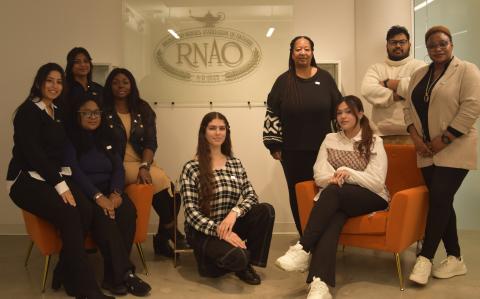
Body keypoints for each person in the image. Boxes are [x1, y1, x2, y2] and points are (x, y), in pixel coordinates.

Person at [6, 63, 114, 299]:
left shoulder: (57, 111)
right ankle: (84, 288)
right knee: (69, 212)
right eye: (49, 80)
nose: (54, 86)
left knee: (85, 209)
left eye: (59, 81)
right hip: (25, 180)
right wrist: (61, 184)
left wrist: (64, 178)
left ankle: (64, 270)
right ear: (39, 82)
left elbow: (59, 152)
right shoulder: (27, 112)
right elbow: (34, 155)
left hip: (50, 177)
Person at [276, 96, 389, 299]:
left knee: (333, 191)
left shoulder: (374, 141)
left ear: (360, 114)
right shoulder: (330, 139)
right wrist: (337, 178)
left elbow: (377, 182)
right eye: (339, 113)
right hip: (338, 197)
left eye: (348, 111)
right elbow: (319, 175)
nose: (343, 116)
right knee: (334, 216)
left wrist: (347, 172)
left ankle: (303, 247)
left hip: (372, 197)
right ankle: (320, 283)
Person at [405, 25, 480, 285]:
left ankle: (425, 259)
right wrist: (416, 139)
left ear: (451, 44)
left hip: (455, 148)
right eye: (432, 45)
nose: (437, 48)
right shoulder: (418, 75)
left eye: (443, 43)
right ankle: (455, 258)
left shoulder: (467, 70)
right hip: (425, 151)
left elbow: (472, 107)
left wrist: (443, 139)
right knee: (442, 201)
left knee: (439, 197)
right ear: (427, 49)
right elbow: (408, 109)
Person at [65, 95, 151, 296]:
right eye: (87, 113)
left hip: (109, 191)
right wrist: (97, 196)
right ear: (78, 116)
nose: (93, 117)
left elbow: (118, 169)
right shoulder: (70, 140)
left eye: (96, 112)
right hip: (86, 193)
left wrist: (116, 193)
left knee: (128, 212)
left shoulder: (106, 137)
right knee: (105, 220)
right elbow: (74, 171)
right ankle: (125, 274)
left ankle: (112, 279)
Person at [102, 68, 189, 258]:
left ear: (131, 85)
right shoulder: (103, 109)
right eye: (116, 82)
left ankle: (162, 237)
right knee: (164, 186)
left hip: (142, 162)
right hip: (117, 165)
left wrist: (144, 165)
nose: (121, 86)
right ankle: (173, 233)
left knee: (173, 194)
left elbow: (151, 142)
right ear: (109, 85)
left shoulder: (142, 108)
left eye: (125, 82)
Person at [181, 112, 275, 285]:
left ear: (227, 132)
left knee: (266, 210)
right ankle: (232, 259)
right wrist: (221, 231)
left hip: (228, 222)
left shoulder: (235, 164)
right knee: (236, 258)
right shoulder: (191, 167)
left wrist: (235, 212)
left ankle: (245, 265)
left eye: (222, 128)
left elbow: (251, 196)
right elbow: (191, 213)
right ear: (204, 132)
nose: (218, 133)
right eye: (212, 128)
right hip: (204, 231)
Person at [263, 36, 342, 235]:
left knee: (325, 193)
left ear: (312, 52)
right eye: (298, 49)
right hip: (292, 152)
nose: (303, 53)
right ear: (292, 53)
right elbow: (272, 113)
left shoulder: (325, 79)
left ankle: (322, 237)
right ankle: (304, 238)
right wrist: (274, 145)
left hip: (325, 151)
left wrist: (344, 140)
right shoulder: (283, 81)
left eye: (307, 49)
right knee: (298, 195)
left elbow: (339, 111)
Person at [361, 25, 425, 143]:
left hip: (413, 135)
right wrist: (399, 94)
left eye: (402, 42)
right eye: (393, 42)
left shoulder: (419, 66)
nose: (398, 46)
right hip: (380, 135)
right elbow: (367, 90)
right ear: (387, 45)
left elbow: (420, 88)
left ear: (409, 44)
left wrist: (387, 83)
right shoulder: (376, 68)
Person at [59, 47, 103, 130]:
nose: (82, 65)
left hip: (98, 137)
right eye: (77, 62)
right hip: (71, 136)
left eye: (86, 61)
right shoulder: (64, 89)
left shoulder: (98, 89)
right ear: (70, 65)